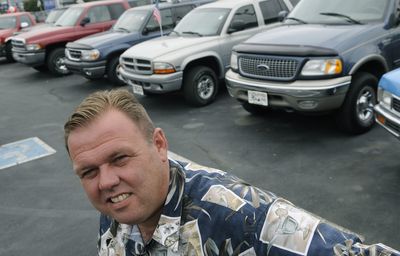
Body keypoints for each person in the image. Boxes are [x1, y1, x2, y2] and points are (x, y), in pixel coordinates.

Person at [64, 89, 399, 256]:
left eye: (120, 158)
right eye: (88, 172)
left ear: (160, 145)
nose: (106, 181)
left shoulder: (245, 217)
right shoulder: (115, 211)